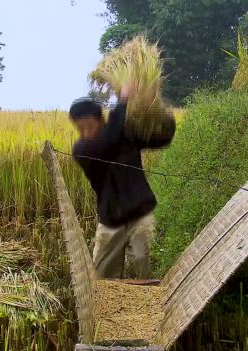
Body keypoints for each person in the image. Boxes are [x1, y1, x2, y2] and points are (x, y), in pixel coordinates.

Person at [68, 84, 175, 279]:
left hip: (139, 214)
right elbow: (107, 142)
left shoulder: (124, 134)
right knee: (102, 276)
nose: (85, 133)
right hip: (111, 220)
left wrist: (158, 110)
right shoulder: (83, 150)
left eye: (89, 126)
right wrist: (123, 101)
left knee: (142, 260)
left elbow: (161, 139)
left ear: (101, 121)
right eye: (80, 128)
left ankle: (148, 301)